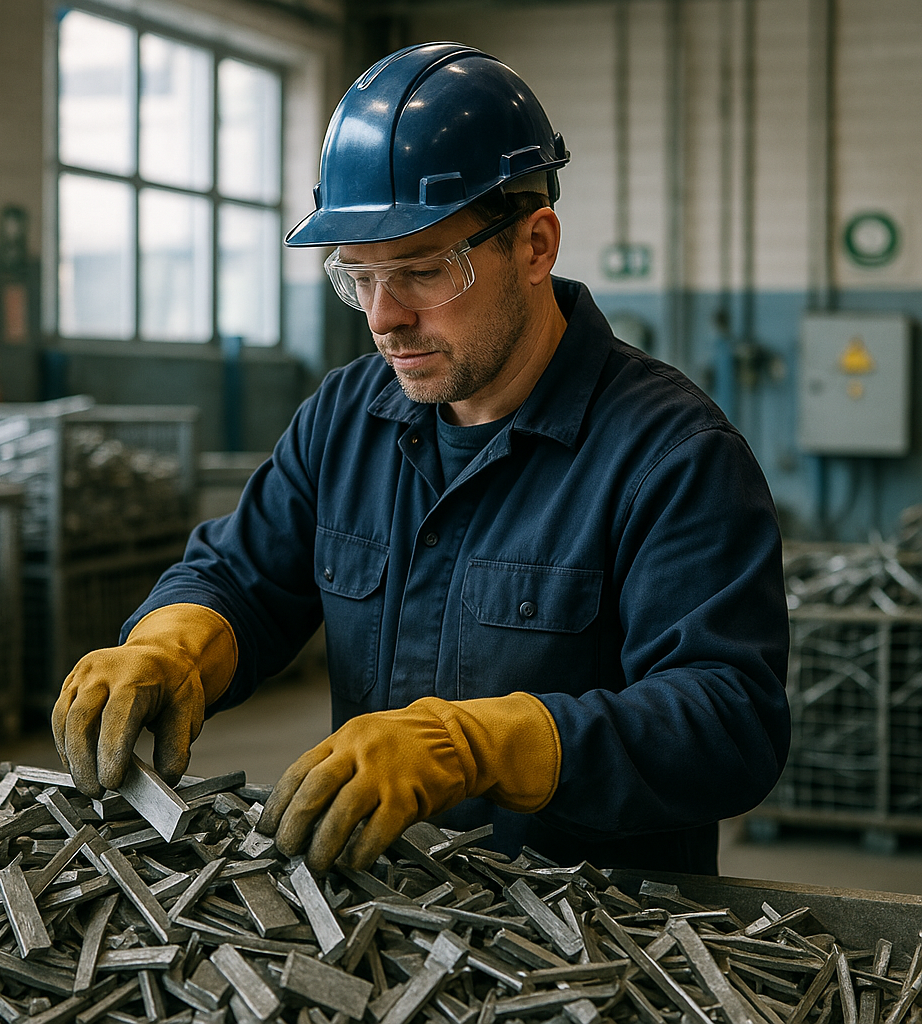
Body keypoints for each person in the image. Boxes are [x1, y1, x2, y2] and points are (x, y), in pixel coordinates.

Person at [53, 41, 790, 876]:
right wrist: (171, 645)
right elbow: (239, 578)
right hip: (382, 915)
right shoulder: (346, 416)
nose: (382, 317)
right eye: (357, 276)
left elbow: (729, 723)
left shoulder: (672, 456)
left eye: (421, 271)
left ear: (536, 245)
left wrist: (477, 745)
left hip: (596, 945)